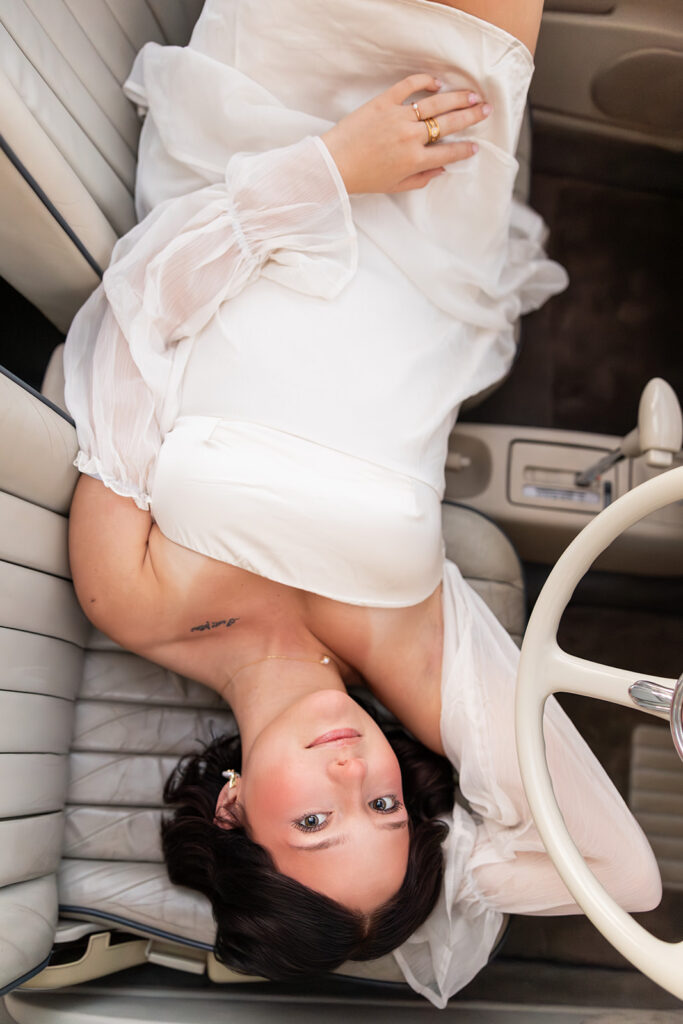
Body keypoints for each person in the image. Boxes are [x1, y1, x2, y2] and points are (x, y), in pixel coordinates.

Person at [64, 0, 662, 1007]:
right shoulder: (413, 649)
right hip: (430, 208)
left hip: (260, 159)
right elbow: (620, 874)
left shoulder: (129, 598)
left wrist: (330, 168)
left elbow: (138, 309)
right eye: (385, 805)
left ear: (233, 809)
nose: (352, 777)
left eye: (311, 823)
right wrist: (446, 876)